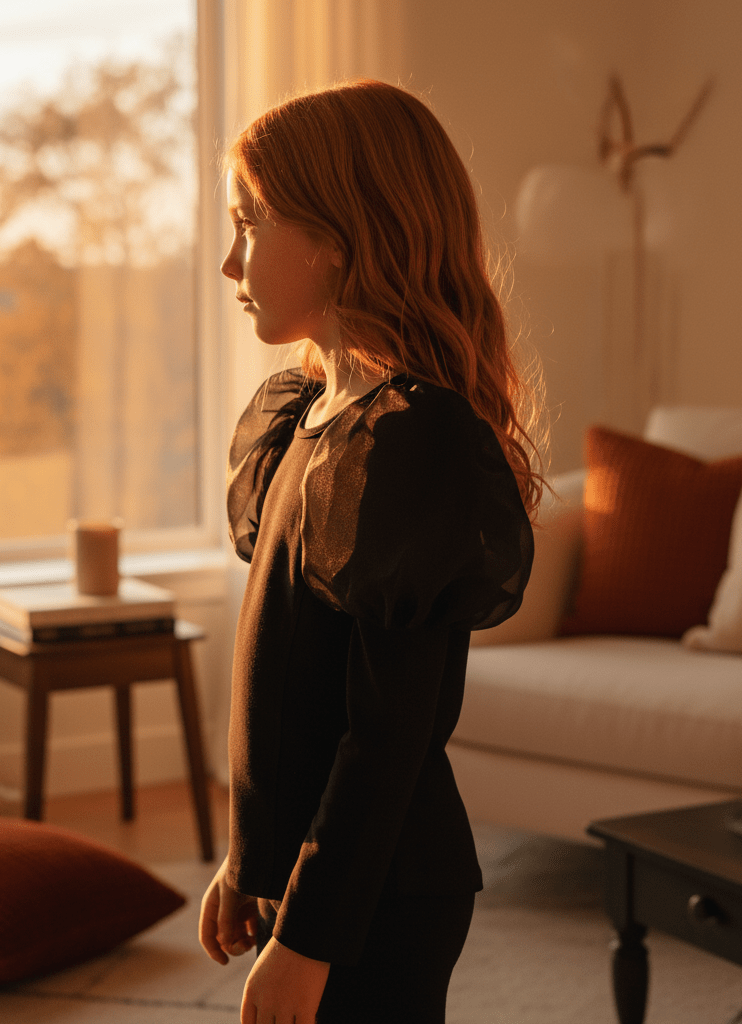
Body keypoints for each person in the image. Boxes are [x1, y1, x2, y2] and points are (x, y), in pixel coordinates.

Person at [199, 79, 543, 1024]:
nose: (232, 260)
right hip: (313, 870)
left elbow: (388, 732)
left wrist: (308, 935)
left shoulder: (412, 442)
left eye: (250, 223)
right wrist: (248, 857)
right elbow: (287, 688)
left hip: (380, 893)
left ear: (335, 240)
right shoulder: (308, 419)